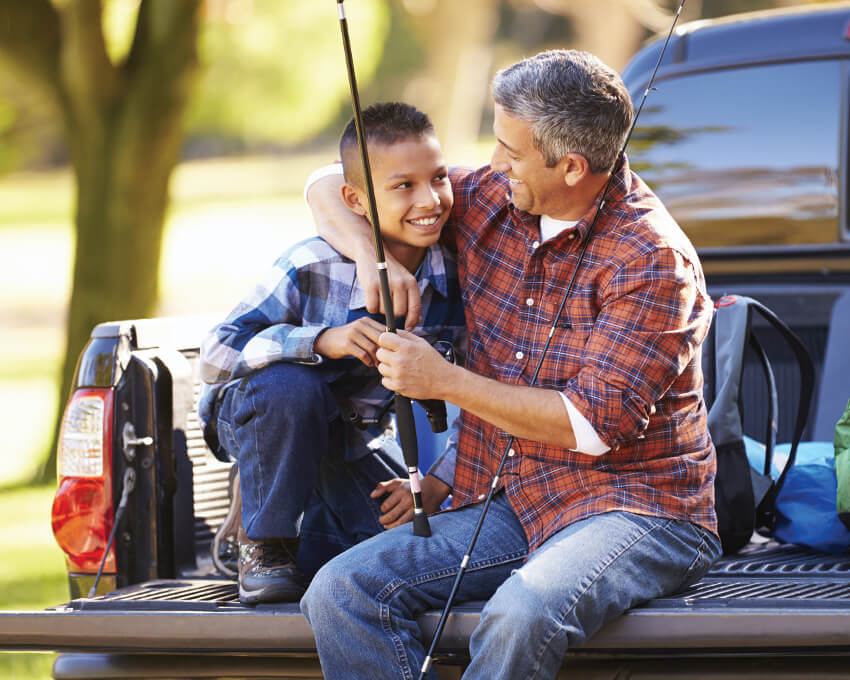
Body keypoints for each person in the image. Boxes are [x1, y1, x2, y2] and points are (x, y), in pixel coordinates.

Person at [300, 50, 722, 679]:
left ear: (571, 166)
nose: (494, 164)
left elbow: (590, 424)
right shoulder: (498, 200)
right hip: (512, 501)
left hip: (638, 509)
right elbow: (327, 182)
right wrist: (372, 258)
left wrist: (444, 382)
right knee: (339, 591)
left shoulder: (653, 261)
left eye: (510, 151)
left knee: (521, 612)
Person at [198, 102, 466, 605]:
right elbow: (214, 355)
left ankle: (304, 541)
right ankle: (261, 541)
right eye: (403, 186)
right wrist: (319, 341)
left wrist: (438, 481)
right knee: (292, 387)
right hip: (259, 415)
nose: (429, 199)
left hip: (353, 439)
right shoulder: (313, 263)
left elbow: (481, 392)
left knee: (393, 552)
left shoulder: (454, 279)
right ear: (355, 200)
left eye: (439, 178)